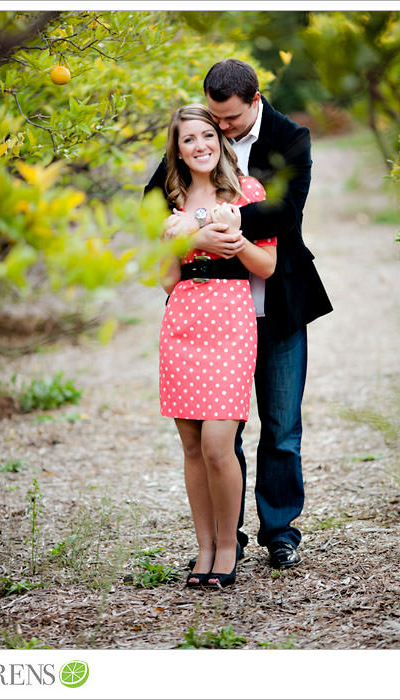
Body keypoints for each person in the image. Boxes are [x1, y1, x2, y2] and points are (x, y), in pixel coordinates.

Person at [146, 59, 332, 570]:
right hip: (207, 313)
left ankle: (279, 532)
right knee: (220, 432)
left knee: (280, 424)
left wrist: (206, 223)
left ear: (254, 101)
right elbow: (156, 199)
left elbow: (286, 213)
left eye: (228, 121)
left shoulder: (290, 138)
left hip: (278, 302)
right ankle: (232, 534)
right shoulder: (202, 136)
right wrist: (180, 230)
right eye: (213, 119)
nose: (221, 130)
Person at [158, 104, 275, 588]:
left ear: (220, 139)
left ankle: (229, 546)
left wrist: (231, 239)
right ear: (178, 149)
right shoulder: (172, 198)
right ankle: (203, 549)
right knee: (190, 445)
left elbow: (265, 267)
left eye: (207, 135)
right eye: (189, 139)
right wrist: (184, 241)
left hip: (230, 318)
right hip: (182, 318)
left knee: (217, 445)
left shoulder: (248, 191)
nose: (200, 145)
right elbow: (164, 282)